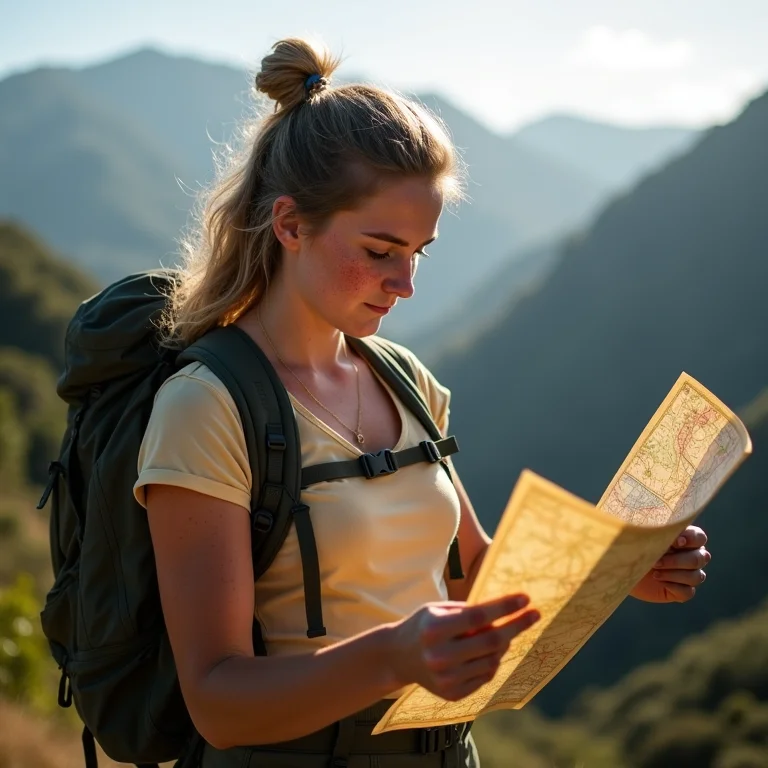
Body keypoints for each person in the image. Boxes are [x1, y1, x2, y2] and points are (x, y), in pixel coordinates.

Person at [133, 37, 712, 767]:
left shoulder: (405, 379)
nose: (405, 283)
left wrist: (619, 570)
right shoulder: (206, 407)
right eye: (379, 250)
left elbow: (476, 579)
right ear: (289, 226)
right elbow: (217, 701)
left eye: (419, 252)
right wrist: (393, 657)